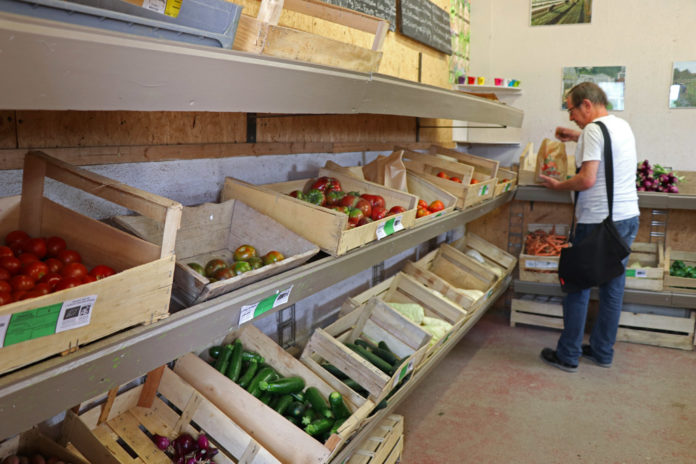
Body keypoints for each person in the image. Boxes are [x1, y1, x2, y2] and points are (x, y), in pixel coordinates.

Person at [538, 82, 640, 372]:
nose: (570, 117)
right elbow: (603, 144)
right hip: (627, 217)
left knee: (576, 285)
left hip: (597, 220)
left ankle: (568, 355)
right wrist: (577, 136)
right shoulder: (621, 126)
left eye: (571, 109)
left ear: (586, 105)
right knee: (612, 286)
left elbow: (587, 180)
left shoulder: (593, 131)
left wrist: (559, 185)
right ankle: (602, 352)